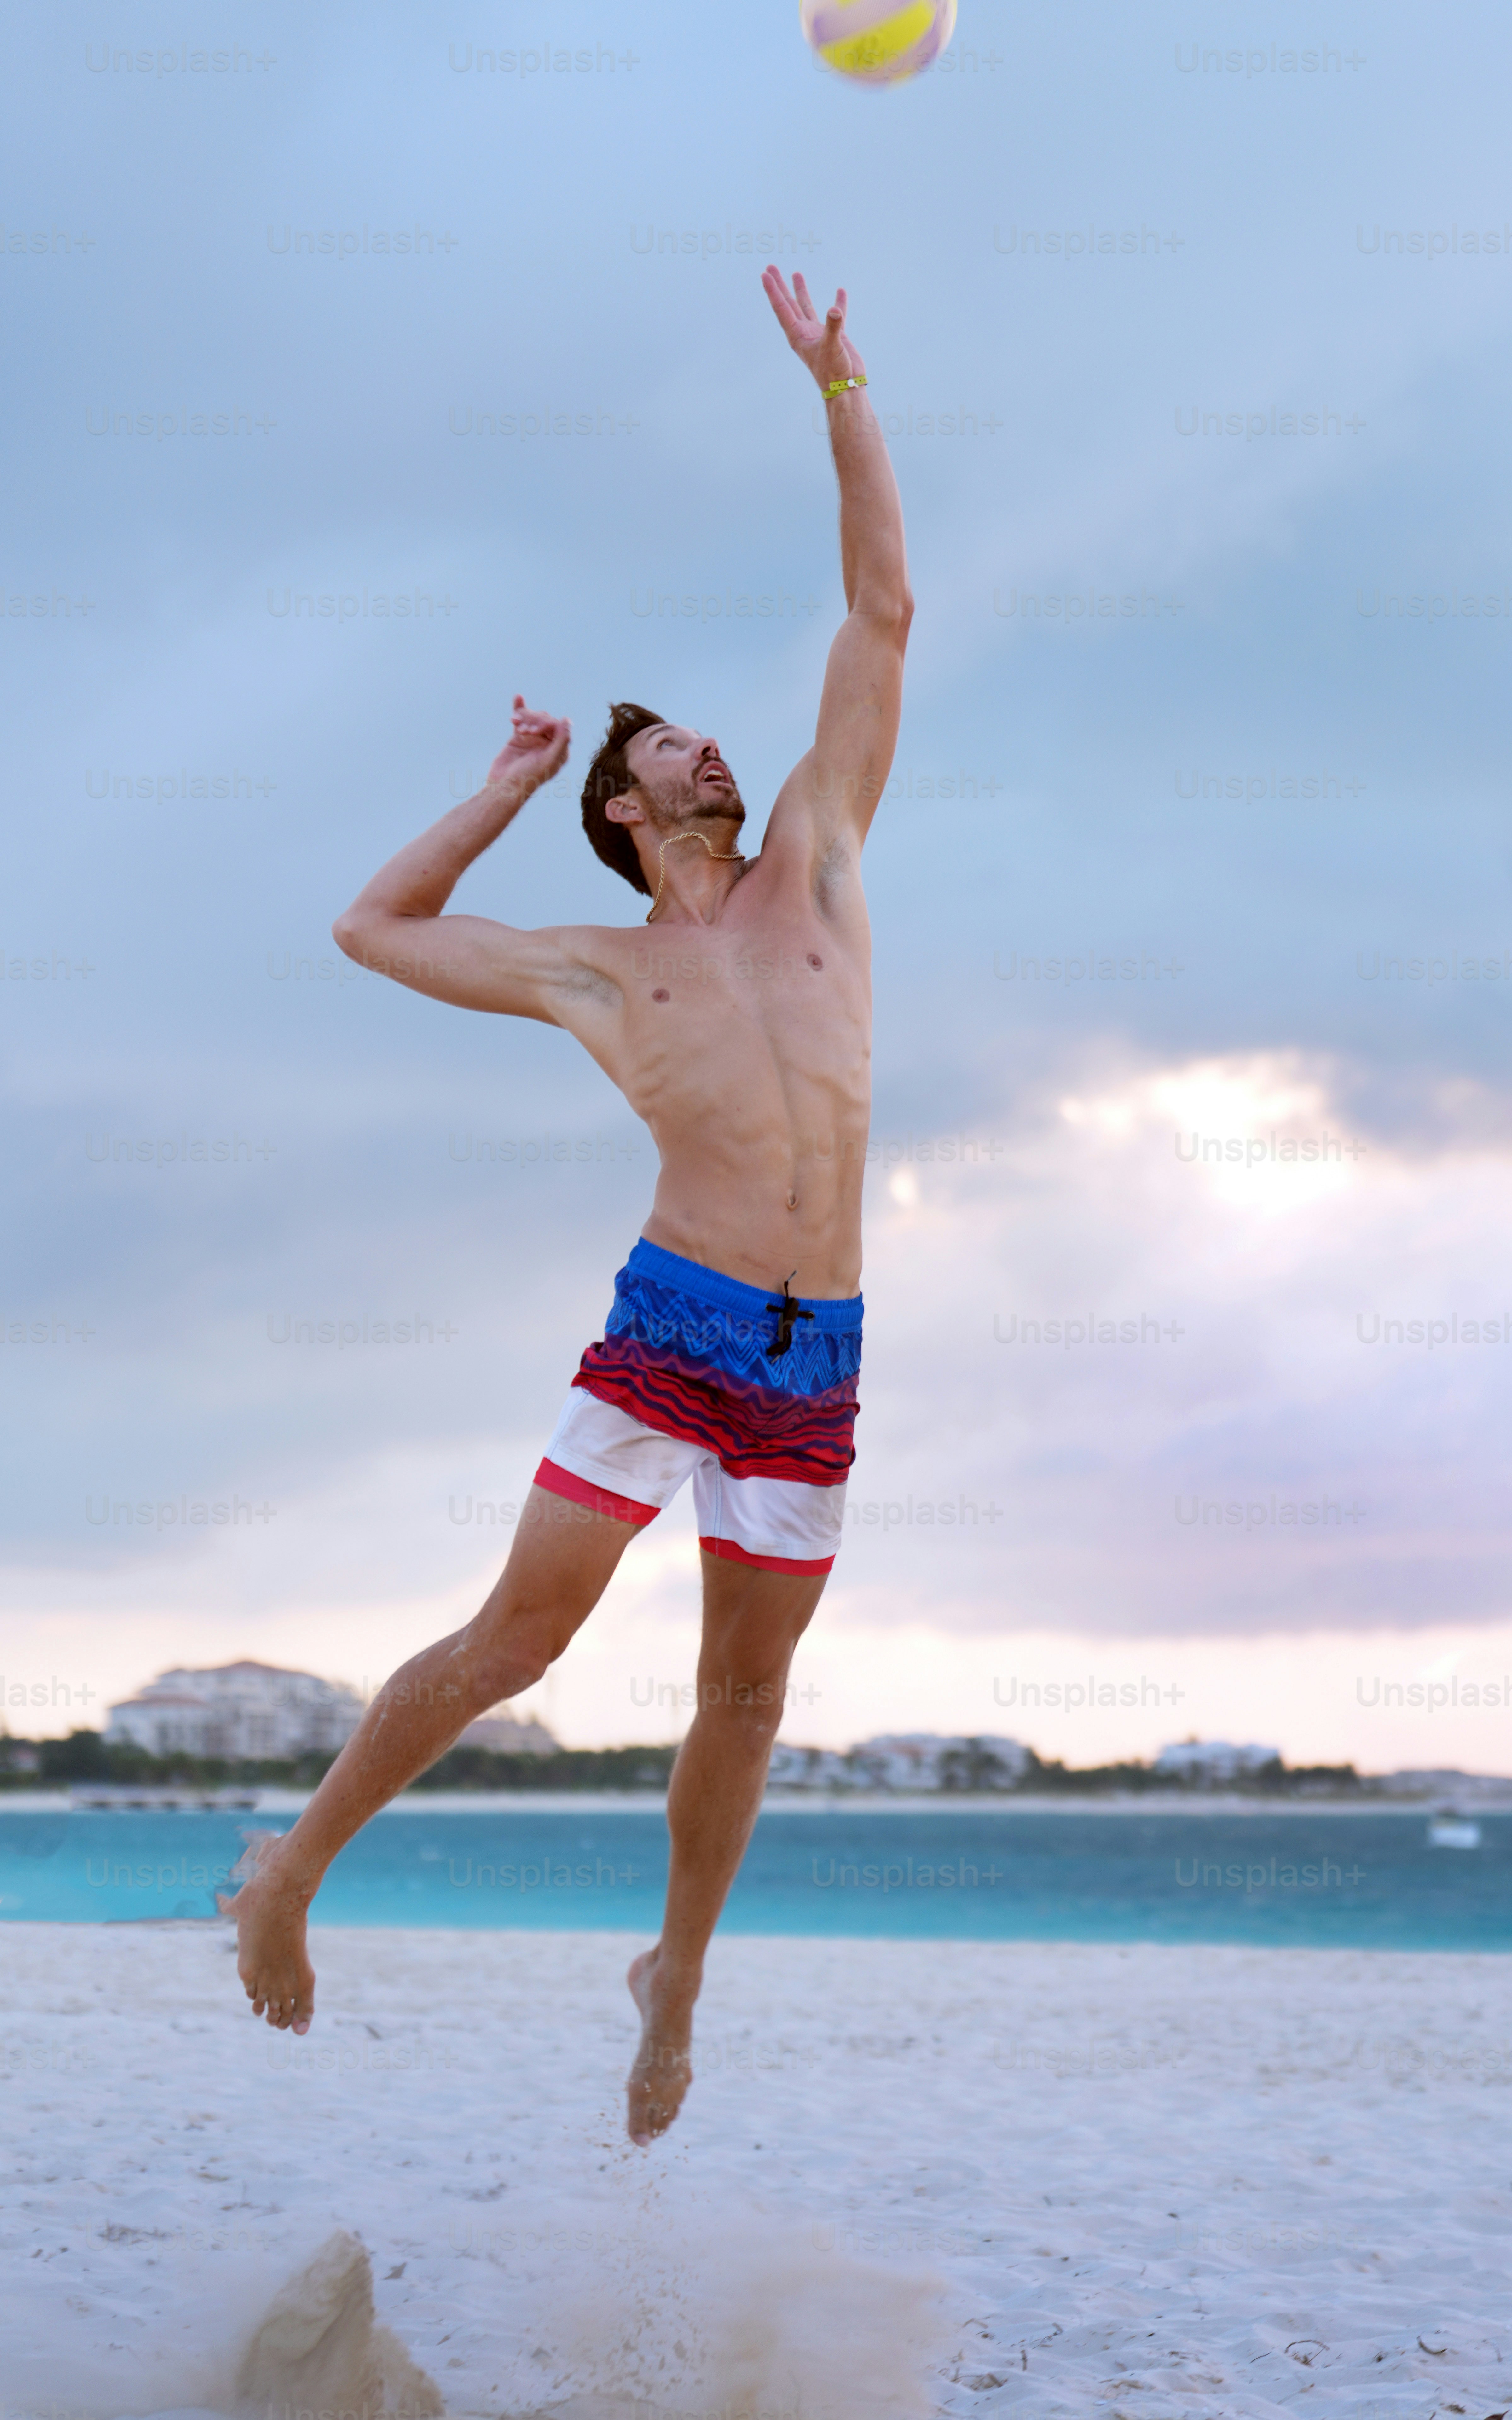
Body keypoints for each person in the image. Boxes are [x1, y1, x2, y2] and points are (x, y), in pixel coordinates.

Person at [221, 269, 912, 2146]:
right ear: (622, 809)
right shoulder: (596, 970)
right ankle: (295, 1866)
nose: (712, 750)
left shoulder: (822, 870)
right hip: (671, 1329)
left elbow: (881, 610)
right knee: (516, 1644)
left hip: (817, 1352)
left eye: (706, 735)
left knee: (745, 1704)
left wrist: (840, 381)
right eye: (671, 747)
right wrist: (503, 781)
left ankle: (671, 1979)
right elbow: (372, 929)